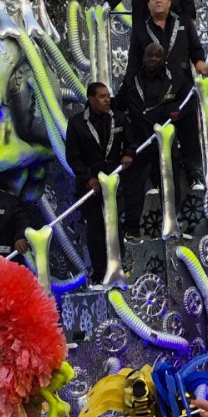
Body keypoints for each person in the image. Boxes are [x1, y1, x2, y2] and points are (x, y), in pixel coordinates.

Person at [126, 0, 207, 189]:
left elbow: (195, 48)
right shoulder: (140, 29)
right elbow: (133, 63)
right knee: (152, 133)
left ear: (169, 2)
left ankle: (195, 175)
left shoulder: (183, 22)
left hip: (182, 85)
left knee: (188, 130)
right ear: (148, 4)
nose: (158, 0)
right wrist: (128, 90)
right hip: (154, 88)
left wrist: (199, 62)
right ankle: (156, 181)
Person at [117, 43, 192, 237]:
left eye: (157, 56)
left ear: (163, 58)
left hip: (163, 142)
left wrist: (175, 112)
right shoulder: (132, 79)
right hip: (138, 142)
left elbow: (186, 101)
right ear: (143, 57)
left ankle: (173, 224)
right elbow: (120, 104)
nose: (153, 59)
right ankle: (132, 228)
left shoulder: (174, 79)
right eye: (149, 55)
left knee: (170, 184)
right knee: (134, 185)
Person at [64, 81, 133, 281]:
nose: (107, 100)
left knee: (115, 225)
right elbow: (73, 157)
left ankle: (119, 267)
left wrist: (129, 154)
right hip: (90, 186)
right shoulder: (77, 123)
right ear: (91, 99)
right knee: (96, 228)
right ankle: (99, 272)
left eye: (108, 96)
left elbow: (131, 142)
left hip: (115, 182)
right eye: (102, 97)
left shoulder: (118, 118)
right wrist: (88, 178)